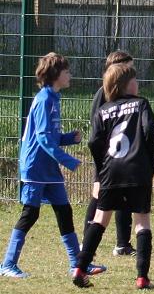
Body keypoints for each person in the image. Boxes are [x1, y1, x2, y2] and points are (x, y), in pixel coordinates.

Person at [0, 53, 106, 279]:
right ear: (55, 74)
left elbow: (50, 135)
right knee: (30, 214)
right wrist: (68, 160)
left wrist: (68, 138)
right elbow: (42, 138)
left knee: (65, 212)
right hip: (35, 167)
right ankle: (8, 264)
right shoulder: (44, 100)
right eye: (66, 71)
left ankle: (78, 264)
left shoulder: (54, 98)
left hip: (49, 168)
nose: (70, 75)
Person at [72, 62, 154, 289]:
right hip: (137, 171)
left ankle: (79, 268)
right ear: (126, 84)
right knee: (142, 222)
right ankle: (142, 277)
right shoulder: (141, 104)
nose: (137, 83)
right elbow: (149, 132)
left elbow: (93, 142)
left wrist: (102, 168)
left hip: (110, 171)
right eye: (135, 79)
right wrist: (150, 165)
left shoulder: (103, 110)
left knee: (100, 218)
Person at [85, 50, 136, 257]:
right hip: (107, 157)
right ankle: (86, 241)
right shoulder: (103, 93)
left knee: (124, 196)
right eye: (129, 68)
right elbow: (96, 131)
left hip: (122, 155)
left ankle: (123, 244)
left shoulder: (127, 96)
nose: (133, 72)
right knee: (99, 196)